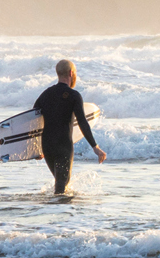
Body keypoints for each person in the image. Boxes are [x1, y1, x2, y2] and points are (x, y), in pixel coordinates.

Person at [35, 59, 107, 194]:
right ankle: (60, 213)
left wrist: (36, 148)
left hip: (47, 146)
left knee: (60, 184)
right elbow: (82, 122)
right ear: (71, 73)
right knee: (62, 187)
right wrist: (95, 147)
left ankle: (53, 211)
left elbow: (34, 122)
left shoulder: (45, 95)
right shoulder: (74, 95)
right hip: (63, 147)